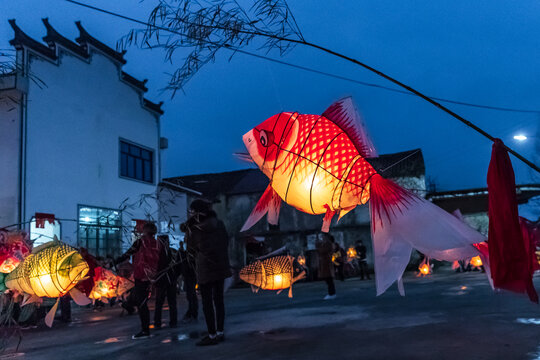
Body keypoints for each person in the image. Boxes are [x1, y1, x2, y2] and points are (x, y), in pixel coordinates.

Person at [183, 199, 231, 346]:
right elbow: (226, 242)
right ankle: (220, 332)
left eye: (191, 211)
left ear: (196, 212)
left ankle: (211, 334)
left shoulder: (195, 229)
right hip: (221, 266)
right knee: (219, 301)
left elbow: (190, 251)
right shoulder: (219, 224)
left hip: (205, 269)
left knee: (207, 303)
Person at [115, 222, 161, 339]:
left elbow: (128, 253)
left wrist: (113, 262)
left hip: (141, 275)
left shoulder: (141, 242)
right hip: (150, 276)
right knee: (137, 299)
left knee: (141, 303)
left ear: (145, 231)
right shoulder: (157, 244)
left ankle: (145, 330)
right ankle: (128, 305)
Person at [154, 235, 180, 329]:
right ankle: (168, 322)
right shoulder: (170, 252)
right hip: (166, 280)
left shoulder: (159, 253)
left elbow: (178, 266)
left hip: (165, 281)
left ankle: (160, 323)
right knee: (168, 302)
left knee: (162, 303)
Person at [177, 240, 198, 324]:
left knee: (191, 295)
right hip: (190, 274)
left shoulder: (189, 253)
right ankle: (192, 312)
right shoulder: (187, 253)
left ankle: (192, 313)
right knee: (191, 295)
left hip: (190, 274)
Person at [316, 233, 336, 300]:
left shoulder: (328, 244)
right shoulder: (326, 243)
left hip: (327, 263)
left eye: (323, 237)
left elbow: (321, 250)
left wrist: (318, 244)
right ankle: (331, 293)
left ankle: (332, 293)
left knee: (329, 279)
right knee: (328, 280)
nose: (322, 238)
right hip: (325, 263)